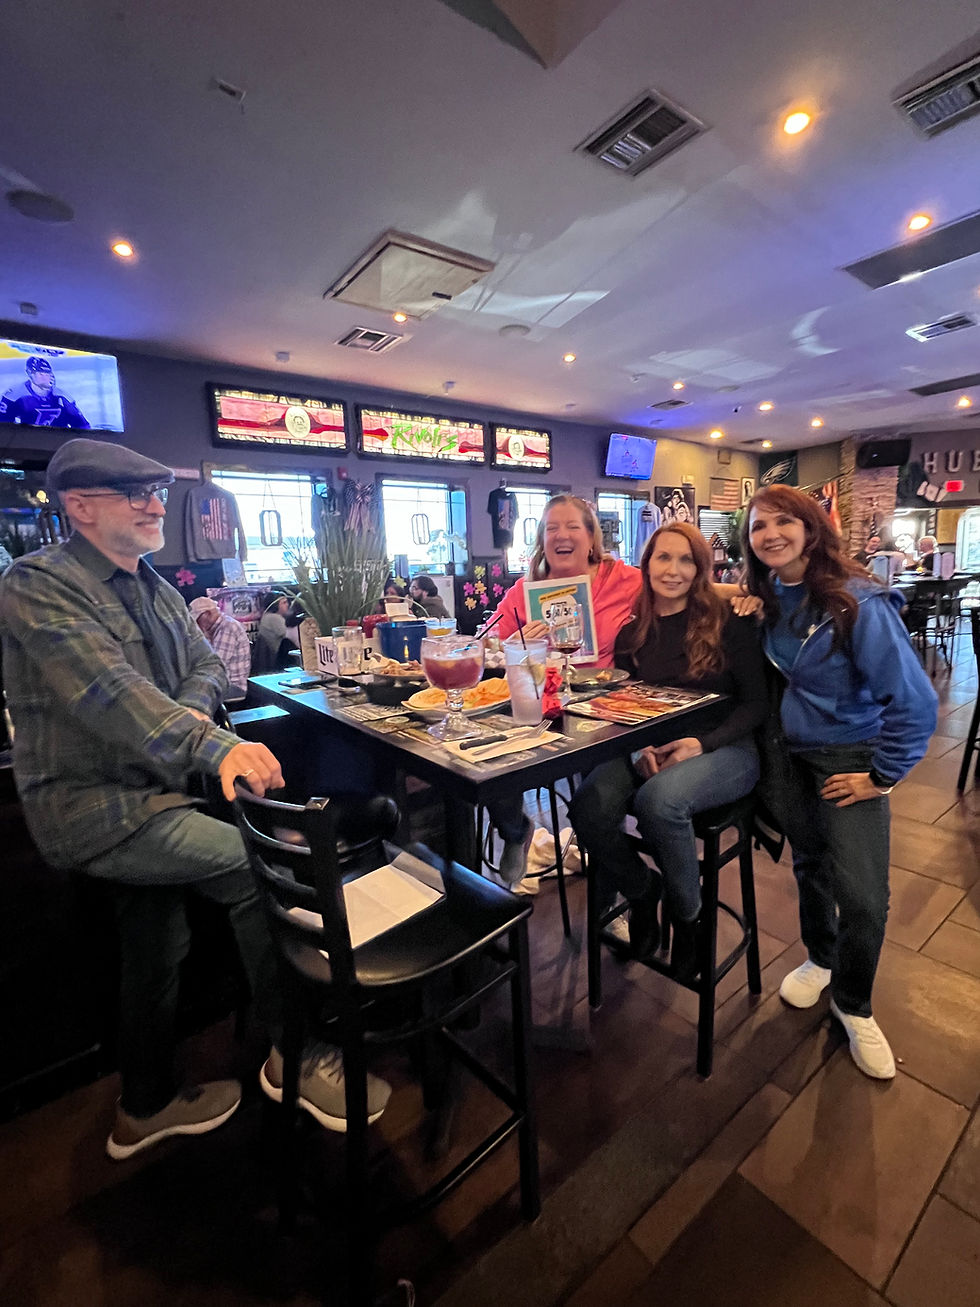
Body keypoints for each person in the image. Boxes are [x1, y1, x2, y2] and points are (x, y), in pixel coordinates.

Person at [0, 438, 389, 1159]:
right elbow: (108, 695)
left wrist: (184, 714)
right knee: (258, 864)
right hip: (94, 809)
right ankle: (294, 1054)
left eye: (156, 490)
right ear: (80, 507)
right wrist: (213, 746)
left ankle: (142, 1104)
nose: (156, 505)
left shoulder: (153, 585)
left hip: (162, 796)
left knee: (157, 941)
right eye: (135, 493)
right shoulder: (36, 583)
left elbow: (208, 664)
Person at [741, 485, 937, 1080]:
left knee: (863, 897)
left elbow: (915, 702)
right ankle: (820, 958)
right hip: (787, 757)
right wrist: (743, 600)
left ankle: (854, 1004)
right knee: (810, 867)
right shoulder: (770, 594)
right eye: (758, 526)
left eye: (783, 522)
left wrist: (881, 776)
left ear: (811, 527)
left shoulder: (859, 602)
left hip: (848, 758)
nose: (771, 534)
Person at [569, 523, 767, 978]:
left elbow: (756, 704)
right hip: (647, 745)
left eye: (686, 560)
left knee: (657, 802)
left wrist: (702, 744)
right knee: (589, 809)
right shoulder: (632, 634)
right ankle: (642, 892)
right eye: (663, 558)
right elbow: (623, 705)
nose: (673, 570)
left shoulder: (729, 622)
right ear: (647, 565)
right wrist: (640, 748)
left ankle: (688, 918)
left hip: (726, 746)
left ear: (700, 569)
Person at [491, 495, 642, 882]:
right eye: (551, 528)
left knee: (597, 802)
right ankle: (515, 830)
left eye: (573, 526)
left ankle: (612, 896)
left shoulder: (623, 579)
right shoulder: (526, 591)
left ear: (591, 538)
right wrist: (521, 644)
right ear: (542, 541)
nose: (562, 535)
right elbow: (489, 644)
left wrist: (740, 594)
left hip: (604, 711)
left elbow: (683, 589)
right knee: (485, 759)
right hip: (542, 711)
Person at [188, 595, 252, 702]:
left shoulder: (228, 627)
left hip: (234, 686)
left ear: (207, 614)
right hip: (222, 683)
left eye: (197, 619)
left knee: (191, 698)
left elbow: (215, 665)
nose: (196, 624)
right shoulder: (214, 628)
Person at [0, 355, 91, 429]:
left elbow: (82, 426)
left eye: (48, 373)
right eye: (41, 374)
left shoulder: (62, 397)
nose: (46, 378)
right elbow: (4, 426)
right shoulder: (14, 396)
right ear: (30, 374)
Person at [252, 589, 300, 672]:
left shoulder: (267, 616)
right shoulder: (274, 618)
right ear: (275, 605)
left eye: (287, 602)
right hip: (279, 661)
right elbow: (293, 637)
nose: (287, 605)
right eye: (284, 603)